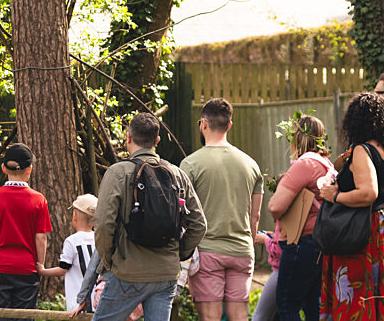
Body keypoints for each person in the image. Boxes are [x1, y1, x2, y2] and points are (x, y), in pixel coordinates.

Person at [93, 112, 206, 321]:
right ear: (157, 141)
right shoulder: (177, 174)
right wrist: (180, 253)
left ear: (128, 138)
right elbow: (199, 224)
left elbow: (102, 224)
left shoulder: (117, 173)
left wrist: (110, 261)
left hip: (127, 270)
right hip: (166, 274)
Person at [316, 92, 384, 321]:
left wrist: (336, 195)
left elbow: (369, 193)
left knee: (360, 295)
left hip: (366, 229)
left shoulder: (363, 150)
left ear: (355, 121)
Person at [181, 99, 264, 321]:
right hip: (242, 250)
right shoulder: (251, 164)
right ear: (229, 125)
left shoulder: (190, 165)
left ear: (203, 125)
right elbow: (254, 215)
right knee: (239, 316)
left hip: (207, 251)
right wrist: (250, 239)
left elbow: (182, 216)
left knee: (210, 317)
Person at [266, 114, 334, 321]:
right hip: (320, 243)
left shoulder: (305, 165)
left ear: (297, 138)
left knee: (287, 306)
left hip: (300, 243)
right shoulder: (326, 164)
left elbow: (276, 207)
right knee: (313, 307)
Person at [0, 143, 52, 318]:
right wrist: (40, 264)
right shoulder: (39, 200)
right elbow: (41, 238)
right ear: (29, 169)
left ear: (3, 168)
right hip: (26, 269)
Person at [41, 194, 98, 313]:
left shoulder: (72, 241)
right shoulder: (99, 238)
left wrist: (43, 271)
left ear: (75, 217)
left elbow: (63, 269)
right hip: (98, 300)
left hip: (78, 301)